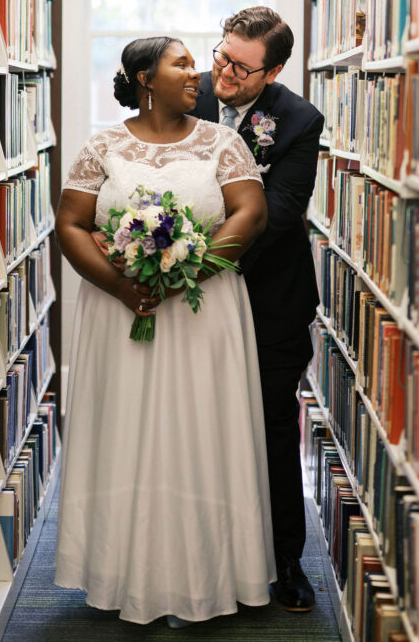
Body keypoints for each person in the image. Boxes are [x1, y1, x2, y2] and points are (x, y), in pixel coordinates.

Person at [54, 35, 276, 627]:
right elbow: (72, 224)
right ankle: (119, 568)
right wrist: (125, 286)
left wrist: (186, 272)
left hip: (204, 309)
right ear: (145, 77)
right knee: (125, 430)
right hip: (121, 309)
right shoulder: (102, 145)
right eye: (181, 63)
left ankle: (210, 571)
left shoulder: (224, 143)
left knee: (201, 430)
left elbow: (249, 214)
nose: (197, 72)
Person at [193, 6, 324, 613]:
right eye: (221, 56)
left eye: (242, 69)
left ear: (270, 72)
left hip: (269, 299)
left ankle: (285, 560)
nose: (224, 74)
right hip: (188, 305)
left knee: (273, 430)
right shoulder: (182, 90)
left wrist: (195, 251)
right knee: (196, 426)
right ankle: (197, 552)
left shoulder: (298, 120)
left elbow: (278, 211)